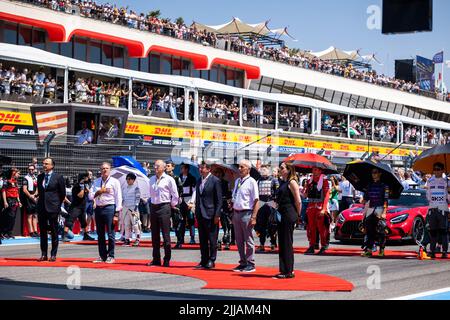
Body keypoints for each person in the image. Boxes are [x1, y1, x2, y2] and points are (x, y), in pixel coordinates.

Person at [190, 162, 222, 269]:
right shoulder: (199, 180)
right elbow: (199, 197)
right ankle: (204, 259)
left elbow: (219, 200)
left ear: (208, 169)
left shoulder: (215, 181)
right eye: (199, 168)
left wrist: (217, 215)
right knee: (202, 239)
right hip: (200, 213)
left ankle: (212, 260)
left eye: (202, 168)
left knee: (212, 239)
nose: (200, 170)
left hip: (211, 214)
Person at [148, 160, 179, 267]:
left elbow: (175, 195)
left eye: (158, 166)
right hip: (153, 206)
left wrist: (171, 205)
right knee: (154, 235)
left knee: (166, 235)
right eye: (154, 166)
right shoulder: (151, 179)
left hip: (164, 206)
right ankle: (156, 259)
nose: (155, 168)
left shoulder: (169, 179)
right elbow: (149, 193)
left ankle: (167, 259)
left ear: (164, 167)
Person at [89, 162, 123, 264]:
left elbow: (119, 198)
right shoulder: (96, 182)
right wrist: (98, 192)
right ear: (100, 170)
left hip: (110, 208)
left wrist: (116, 214)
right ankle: (102, 255)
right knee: (100, 234)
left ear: (110, 170)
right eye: (103, 168)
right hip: (99, 208)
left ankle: (111, 255)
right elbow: (90, 196)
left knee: (111, 233)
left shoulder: (114, 182)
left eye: (106, 168)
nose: (104, 170)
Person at [274, 162, 301, 279]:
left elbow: (298, 201)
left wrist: (298, 216)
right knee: (283, 242)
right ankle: (285, 269)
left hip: (288, 215)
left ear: (289, 169)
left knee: (286, 243)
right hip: (282, 214)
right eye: (280, 168)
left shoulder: (292, 182)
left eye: (282, 168)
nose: (280, 170)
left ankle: (288, 271)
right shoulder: (283, 182)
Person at [231, 160, 259, 273]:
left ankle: (250, 263)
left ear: (248, 169)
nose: (239, 169)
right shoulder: (238, 180)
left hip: (246, 212)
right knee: (239, 239)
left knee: (248, 239)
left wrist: (254, 217)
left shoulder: (252, 181)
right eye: (239, 167)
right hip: (236, 212)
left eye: (242, 167)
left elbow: (256, 200)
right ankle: (242, 262)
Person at [35, 158, 66, 262]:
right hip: (42, 207)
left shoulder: (58, 177)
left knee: (54, 231)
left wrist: (57, 205)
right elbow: (40, 192)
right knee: (42, 231)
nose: (44, 165)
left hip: (53, 207)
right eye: (43, 163)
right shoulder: (40, 177)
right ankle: (43, 254)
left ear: (52, 166)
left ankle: (53, 254)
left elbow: (62, 194)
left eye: (46, 164)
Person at [361, 168, 390, 257]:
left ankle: (381, 249)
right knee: (369, 230)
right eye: (372, 172)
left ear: (380, 174)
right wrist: (362, 200)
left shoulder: (384, 186)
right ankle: (369, 249)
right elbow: (365, 198)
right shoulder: (369, 185)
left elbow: (386, 200)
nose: (373, 174)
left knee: (381, 229)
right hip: (371, 208)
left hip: (380, 208)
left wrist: (384, 212)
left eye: (375, 172)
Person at [303, 167, 331, 255]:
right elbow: (306, 195)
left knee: (321, 228)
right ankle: (312, 246)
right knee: (311, 228)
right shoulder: (309, 181)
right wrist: (305, 190)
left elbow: (327, 196)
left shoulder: (325, 181)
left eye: (316, 170)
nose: (314, 171)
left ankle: (323, 246)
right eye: (313, 170)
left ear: (320, 171)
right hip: (311, 206)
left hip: (320, 206)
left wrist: (324, 209)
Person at [425, 162, 449, 259]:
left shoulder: (446, 181)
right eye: (435, 169)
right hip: (432, 209)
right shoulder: (430, 181)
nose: (436, 171)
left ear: (443, 170)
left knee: (443, 231)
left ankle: (444, 251)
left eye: (438, 169)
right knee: (433, 231)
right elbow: (428, 195)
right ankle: (433, 251)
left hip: (443, 209)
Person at [62, 173, 95, 242]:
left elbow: (89, 194)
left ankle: (86, 235)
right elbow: (80, 195)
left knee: (83, 222)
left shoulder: (86, 185)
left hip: (82, 207)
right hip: (75, 207)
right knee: (69, 221)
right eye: (85, 177)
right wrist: (82, 188)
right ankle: (64, 235)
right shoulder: (76, 187)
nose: (87, 178)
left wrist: (86, 188)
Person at [255, 165, 279, 252]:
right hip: (261, 204)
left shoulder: (274, 180)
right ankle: (261, 244)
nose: (263, 170)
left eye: (265, 169)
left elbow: (277, 192)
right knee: (261, 225)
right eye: (262, 169)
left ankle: (273, 243)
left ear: (268, 170)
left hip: (271, 203)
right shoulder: (258, 181)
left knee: (272, 225)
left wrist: (276, 203)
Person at [175, 164, 197, 248]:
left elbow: (194, 191)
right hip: (181, 200)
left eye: (183, 168)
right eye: (181, 168)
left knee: (191, 219)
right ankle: (181, 238)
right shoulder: (178, 178)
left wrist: (192, 202)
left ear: (187, 169)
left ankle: (192, 238)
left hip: (189, 199)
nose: (181, 169)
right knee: (181, 220)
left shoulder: (192, 178)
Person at [213, 168, 233, 251]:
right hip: (215, 204)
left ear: (222, 174)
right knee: (215, 223)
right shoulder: (213, 182)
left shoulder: (226, 183)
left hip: (224, 204)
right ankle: (217, 241)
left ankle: (227, 241)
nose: (217, 174)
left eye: (219, 173)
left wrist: (229, 201)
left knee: (226, 223)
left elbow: (229, 194)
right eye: (216, 172)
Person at [120, 173, 142, 246]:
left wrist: (135, 209)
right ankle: (127, 239)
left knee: (135, 225)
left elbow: (138, 199)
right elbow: (122, 198)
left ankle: (137, 239)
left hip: (133, 209)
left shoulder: (136, 188)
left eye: (129, 179)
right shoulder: (124, 188)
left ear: (133, 180)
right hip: (125, 208)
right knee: (126, 225)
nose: (128, 180)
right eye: (127, 179)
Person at [1, 168, 22, 239]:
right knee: (9, 217)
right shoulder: (6, 181)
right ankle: (4, 232)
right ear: (12, 173)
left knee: (13, 218)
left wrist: (19, 201)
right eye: (16, 172)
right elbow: (3, 191)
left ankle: (9, 232)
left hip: (15, 200)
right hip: (9, 200)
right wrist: (5, 201)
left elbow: (16, 192)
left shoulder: (16, 181)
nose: (17, 174)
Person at [165, 160, 183, 232]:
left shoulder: (176, 178)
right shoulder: (163, 178)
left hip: (174, 202)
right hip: (166, 202)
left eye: (168, 166)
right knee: (165, 222)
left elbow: (181, 189)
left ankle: (179, 240)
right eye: (166, 166)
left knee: (176, 220)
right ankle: (166, 240)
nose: (166, 167)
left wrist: (178, 200)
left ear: (173, 167)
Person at [22, 164, 39, 237]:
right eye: (29, 169)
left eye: (32, 169)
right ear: (27, 170)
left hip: (35, 197)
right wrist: (30, 196)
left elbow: (38, 188)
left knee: (35, 215)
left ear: (34, 170)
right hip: (28, 198)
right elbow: (24, 189)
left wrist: (35, 195)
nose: (31, 170)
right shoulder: (25, 178)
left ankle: (35, 231)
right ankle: (31, 232)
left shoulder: (36, 178)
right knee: (30, 215)